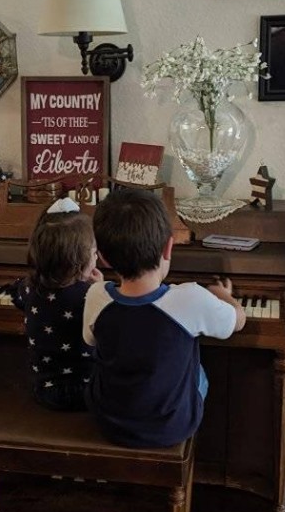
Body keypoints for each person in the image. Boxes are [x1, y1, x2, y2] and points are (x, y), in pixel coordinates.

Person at [83, 188, 246, 448]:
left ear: (102, 257)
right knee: (198, 370)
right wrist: (224, 296)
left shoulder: (95, 295)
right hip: (171, 428)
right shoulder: (191, 297)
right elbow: (237, 322)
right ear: (169, 247)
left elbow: (90, 340)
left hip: (109, 423)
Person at [12, 199, 101, 412]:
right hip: (87, 393)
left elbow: (16, 296)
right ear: (78, 261)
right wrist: (100, 288)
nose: (96, 257)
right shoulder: (92, 295)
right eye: (94, 252)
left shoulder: (28, 288)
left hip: (44, 391)